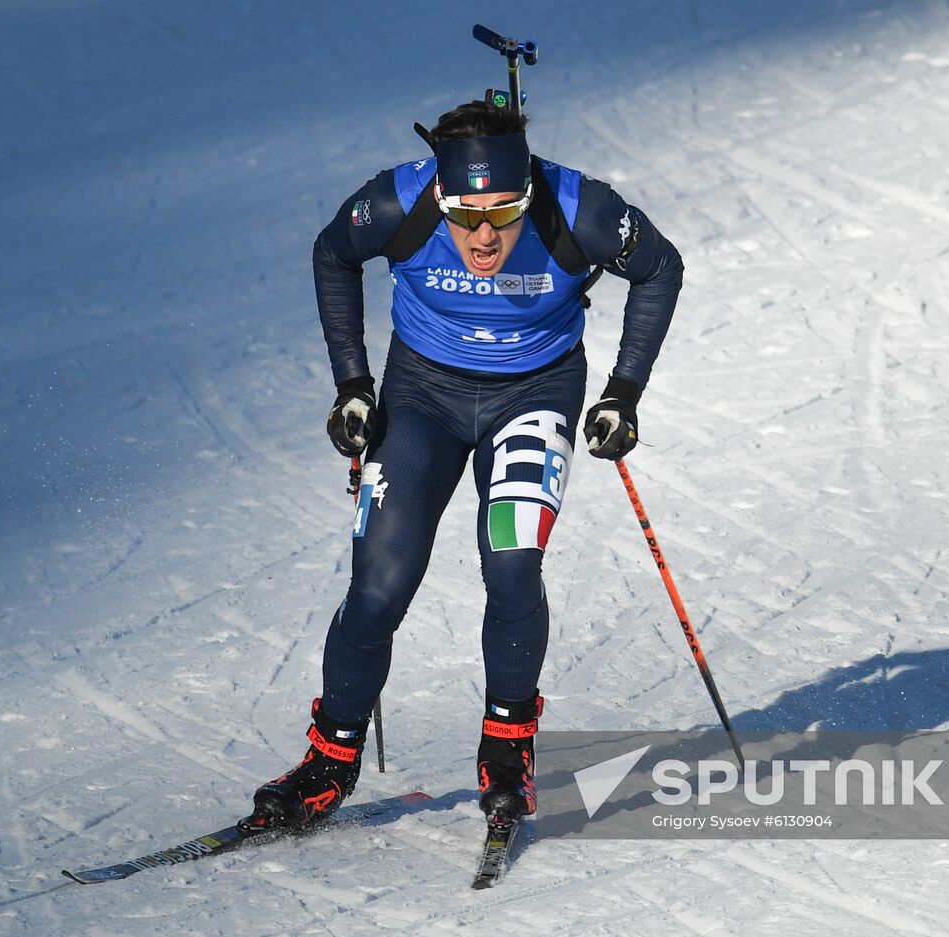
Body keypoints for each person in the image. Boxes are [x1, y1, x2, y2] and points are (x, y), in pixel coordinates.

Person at [241, 99, 682, 832]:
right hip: (423, 398)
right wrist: (353, 383)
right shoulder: (397, 198)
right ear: (439, 193)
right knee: (378, 590)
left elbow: (659, 268)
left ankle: (507, 750)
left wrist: (622, 392)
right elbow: (333, 252)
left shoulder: (582, 209)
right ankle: (329, 760)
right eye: (463, 212)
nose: (483, 235)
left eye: (505, 212)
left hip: (535, 394)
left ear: (528, 195)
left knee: (511, 563)